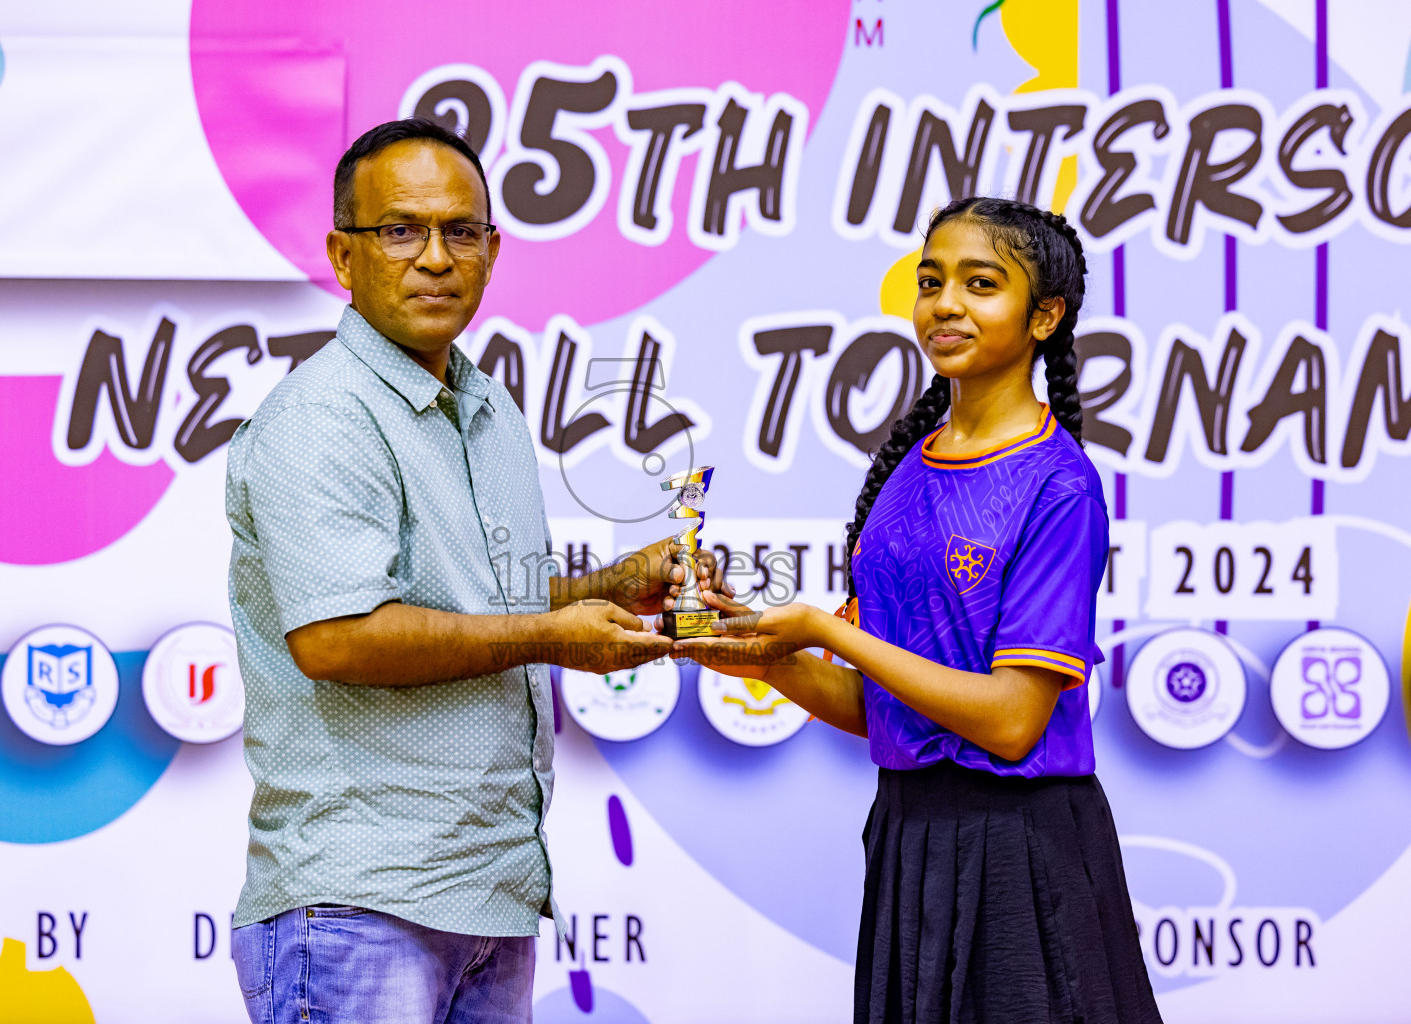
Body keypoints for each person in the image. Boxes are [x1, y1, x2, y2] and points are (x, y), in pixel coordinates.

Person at [224, 118, 708, 1024]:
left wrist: (606, 590)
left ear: (494, 249)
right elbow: (338, 638)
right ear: (343, 254)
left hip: (489, 894)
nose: (436, 258)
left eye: (462, 232)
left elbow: (480, 607)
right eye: (401, 231)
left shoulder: (485, 407)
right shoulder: (321, 417)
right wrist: (552, 637)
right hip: (362, 902)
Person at [678, 197, 1163, 1024]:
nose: (945, 304)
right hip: (908, 838)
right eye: (930, 280)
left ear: (1045, 315)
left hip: (1023, 853)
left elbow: (1012, 723)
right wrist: (763, 656)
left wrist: (827, 632)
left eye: (981, 284)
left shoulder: (1059, 485)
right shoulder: (906, 470)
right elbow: (883, 711)